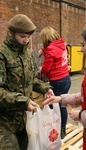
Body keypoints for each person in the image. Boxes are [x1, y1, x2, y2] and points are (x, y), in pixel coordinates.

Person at [0, 14, 54, 150]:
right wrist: (23, 101)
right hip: (5, 122)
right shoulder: (2, 55)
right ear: (11, 33)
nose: (26, 40)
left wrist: (44, 88)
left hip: (25, 120)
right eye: (22, 36)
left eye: (28, 37)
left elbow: (32, 79)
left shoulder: (28, 54)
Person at [39, 26, 71, 139]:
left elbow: (46, 69)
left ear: (45, 38)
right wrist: (43, 50)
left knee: (53, 105)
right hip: (66, 79)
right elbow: (52, 49)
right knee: (63, 104)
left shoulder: (50, 50)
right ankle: (62, 129)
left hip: (57, 81)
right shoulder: (61, 44)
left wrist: (40, 69)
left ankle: (54, 128)